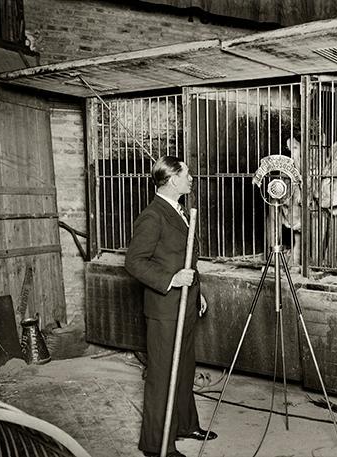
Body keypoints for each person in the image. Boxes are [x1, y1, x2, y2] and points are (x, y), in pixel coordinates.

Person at [125, 155, 217, 457]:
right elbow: (134, 262)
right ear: (173, 179)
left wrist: (196, 290)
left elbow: (184, 258)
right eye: (187, 174)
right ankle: (157, 444)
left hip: (185, 305)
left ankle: (185, 424)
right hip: (165, 310)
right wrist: (172, 280)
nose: (191, 179)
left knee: (185, 368)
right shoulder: (153, 216)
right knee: (163, 374)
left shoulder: (178, 211)